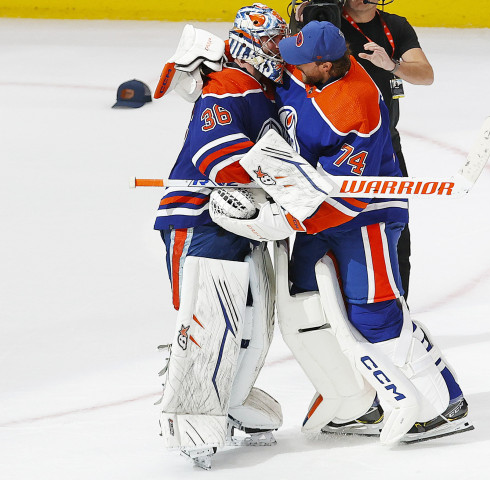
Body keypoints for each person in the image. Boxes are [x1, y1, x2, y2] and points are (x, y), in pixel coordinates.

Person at [270, 20, 471, 444]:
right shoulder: (306, 71)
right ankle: (361, 403)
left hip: (364, 219)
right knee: (312, 310)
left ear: (324, 66)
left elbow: (346, 195)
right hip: (313, 213)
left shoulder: (357, 106)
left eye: (300, 62)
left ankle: (443, 406)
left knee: (374, 313)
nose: (290, 66)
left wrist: (285, 219)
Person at [151, 4, 289, 469]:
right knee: (206, 317)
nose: (280, 49)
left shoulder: (262, 87)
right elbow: (221, 162)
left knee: (250, 320)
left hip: (239, 219)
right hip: (198, 219)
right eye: (273, 41)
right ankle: (191, 417)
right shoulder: (226, 89)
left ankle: (227, 399)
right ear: (253, 44)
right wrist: (289, 180)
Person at [294, 0, 434, 300]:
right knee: (320, 225)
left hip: (384, 147)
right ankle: (323, 308)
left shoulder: (395, 27)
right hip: (329, 144)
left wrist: (393, 65)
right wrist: (300, 22)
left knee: (394, 228)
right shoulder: (326, 24)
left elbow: (426, 74)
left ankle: (396, 304)